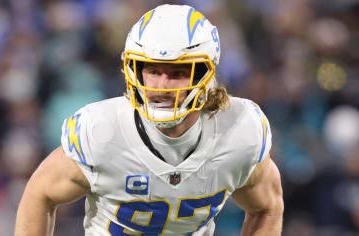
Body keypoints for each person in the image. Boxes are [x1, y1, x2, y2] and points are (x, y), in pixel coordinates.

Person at [15, 4, 283, 236]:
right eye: (153, 71)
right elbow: (41, 193)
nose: (161, 86)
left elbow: (267, 207)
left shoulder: (239, 131)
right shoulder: (101, 131)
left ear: (204, 76)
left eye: (177, 73)